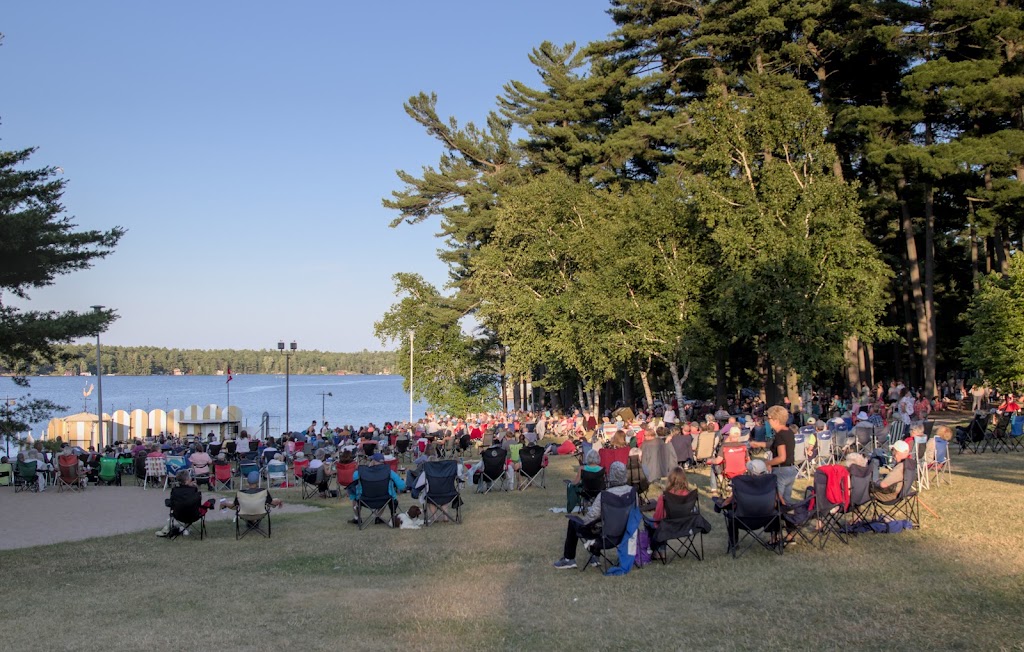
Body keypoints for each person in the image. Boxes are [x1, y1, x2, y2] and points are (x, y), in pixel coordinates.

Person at [554, 461, 633, 569]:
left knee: (576, 523)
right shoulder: (632, 493)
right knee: (600, 522)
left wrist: (582, 522)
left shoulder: (605, 496)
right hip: (624, 534)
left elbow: (591, 518)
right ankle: (595, 558)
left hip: (605, 538)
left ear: (611, 475)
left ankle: (569, 559)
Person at [347, 453, 406, 525]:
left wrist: (368, 469)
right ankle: (377, 517)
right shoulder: (389, 472)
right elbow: (402, 486)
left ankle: (357, 517)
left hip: (364, 499)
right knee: (385, 493)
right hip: (384, 499)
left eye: (371, 460)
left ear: (374, 461)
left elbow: (354, 478)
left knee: (352, 492)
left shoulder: (360, 472)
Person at [156, 470, 216, 537]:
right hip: (194, 515)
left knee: (184, 506)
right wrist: (195, 488)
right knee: (189, 507)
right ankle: (185, 530)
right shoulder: (194, 491)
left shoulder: (175, 491)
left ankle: (176, 529)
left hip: (178, 515)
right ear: (188, 479)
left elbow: (172, 503)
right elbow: (197, 503)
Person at [765, 404, 797, 504]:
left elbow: (781, 457)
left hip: (781, 470)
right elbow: (777, 446)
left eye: (769, 418)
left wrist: (768, 463)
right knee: (786, 501)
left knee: (776, 501)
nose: (767, 421)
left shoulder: (780, 435)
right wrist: (758, 444)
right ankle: (787, 518)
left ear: (776, 420)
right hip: (791, 469)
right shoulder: (789, 431)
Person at [220, 471, 284, 512]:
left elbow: (233, 505)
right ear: (257, 481)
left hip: (245, 513)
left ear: (248, 481)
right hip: (260, 512)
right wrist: (279, 500)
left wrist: (224, 503)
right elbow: (271, 502)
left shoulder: (241, 493)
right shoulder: (263, 492)